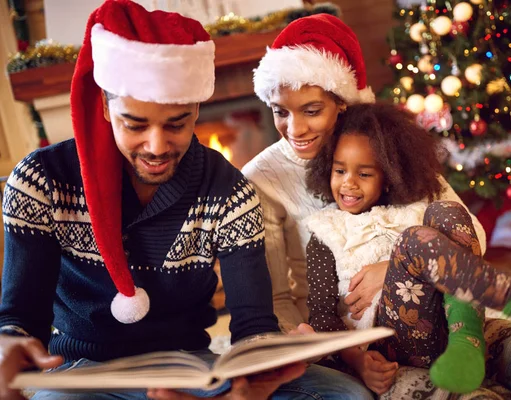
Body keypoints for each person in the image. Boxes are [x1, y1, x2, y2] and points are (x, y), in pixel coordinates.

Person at [0, 1, 373, 400]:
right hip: (83, 374)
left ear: (196, 109)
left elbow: (253, 325)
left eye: (176, 123)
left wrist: (261, 366)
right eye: (135, 124)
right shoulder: (40, 180)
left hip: (192, 365)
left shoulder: (229, 189)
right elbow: (19, 318)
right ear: (107, 108)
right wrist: (9, 344)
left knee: (345, 396)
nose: (156, 146)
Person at [242, 13, 488, 393]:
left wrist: (399, 268)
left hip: (442, 304)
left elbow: (473, 235)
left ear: (341, 102)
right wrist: (338, 357)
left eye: (311, 110)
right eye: (280, 112)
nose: (295, 130)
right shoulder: (262, 178)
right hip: (345, 334)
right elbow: (278, 300)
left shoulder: (384, 147)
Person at [303, 103, 511, 395]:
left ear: (388, 176)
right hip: (392, 340)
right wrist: (358, 362)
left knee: (447, 211)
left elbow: (464, 245)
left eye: (364, 174)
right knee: (413, 239)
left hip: (448, 322)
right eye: (339, 170)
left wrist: (389, 268)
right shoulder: (326, 232)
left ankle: (466, 342)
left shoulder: (414, 210)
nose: (348, 183)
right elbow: (322, 318)